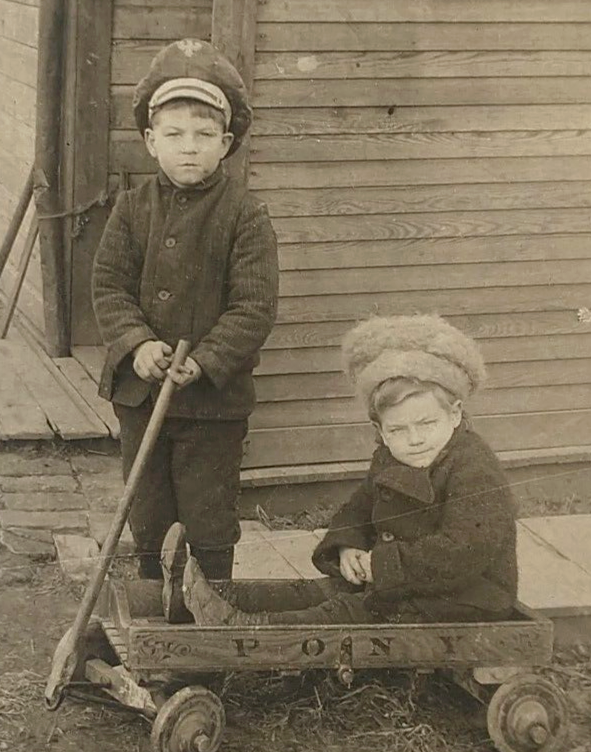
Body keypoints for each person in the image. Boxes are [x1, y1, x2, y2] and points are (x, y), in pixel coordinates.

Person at [178, 314, 519, 626]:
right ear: (381, 431)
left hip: (466, 597)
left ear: (455, 414)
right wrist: (347, 547)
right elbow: (359, 507)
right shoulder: (390, 457)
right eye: (398, 430)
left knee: (346, 611)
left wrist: (382, 565)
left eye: (427, 423)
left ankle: (245, 629)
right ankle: (217, 598)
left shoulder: (473, 468)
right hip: (408, 583)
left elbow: (464, 549)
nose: (415, 440)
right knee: (317, 591)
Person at [91, 38, 279, 585]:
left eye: (203, 136)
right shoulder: (131, 209)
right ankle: (154, 606)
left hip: (211, 405)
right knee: (146, 508)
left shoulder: (245, 215)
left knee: (208, 514)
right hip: (141, 394)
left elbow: (254, 306)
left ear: (226, 143)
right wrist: (138, 343)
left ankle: (210, 610)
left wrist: (207, 359)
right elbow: (108, 286)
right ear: (151, 142)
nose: (188, 148)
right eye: (174, 135)